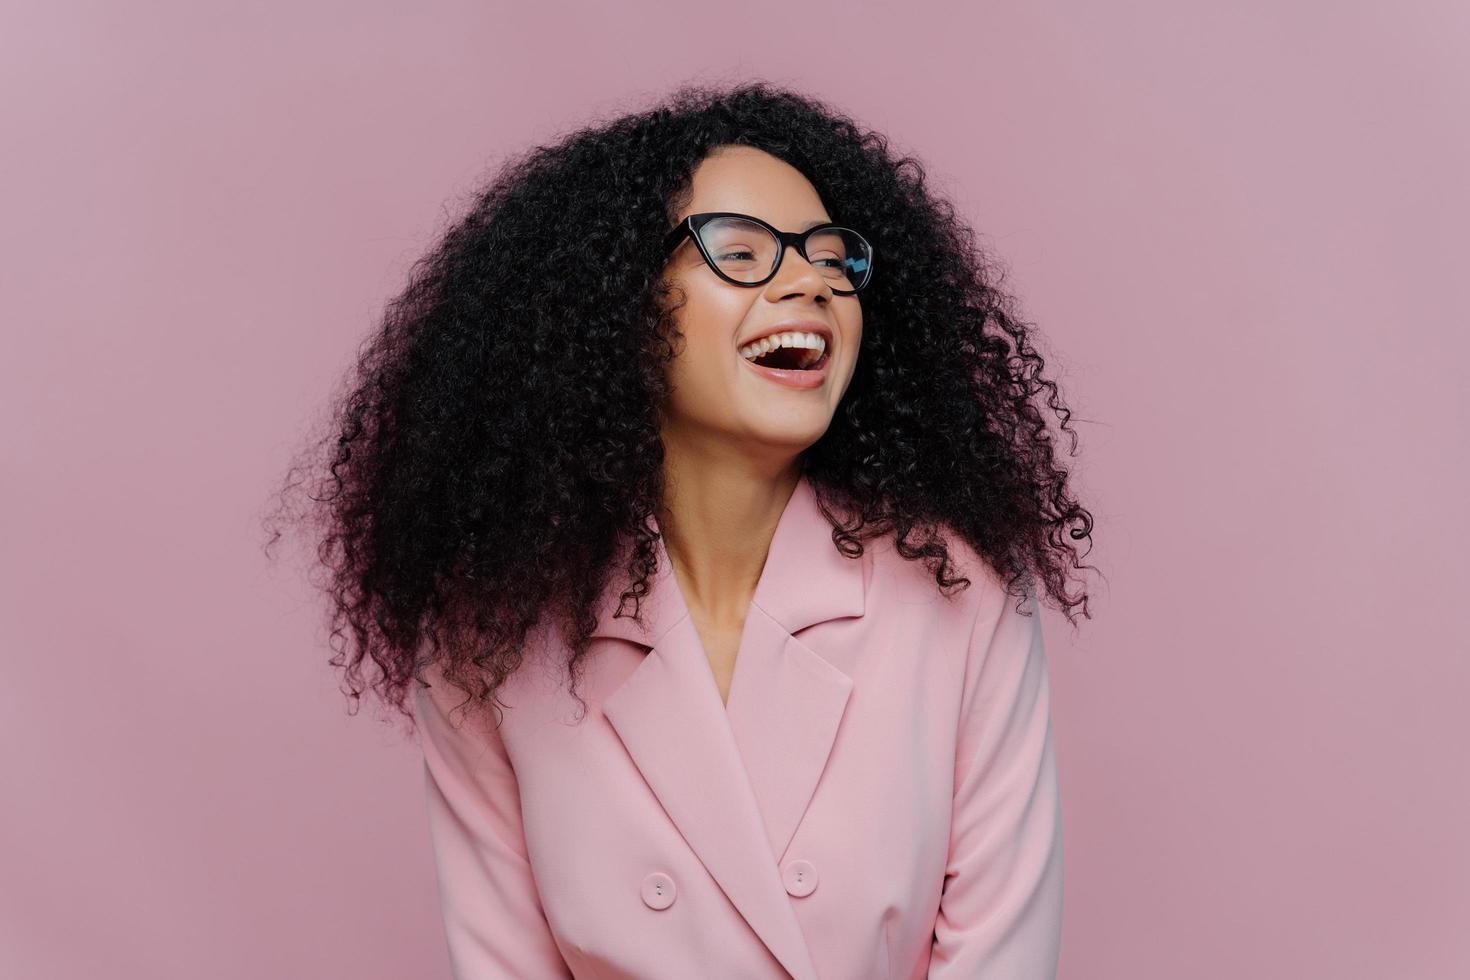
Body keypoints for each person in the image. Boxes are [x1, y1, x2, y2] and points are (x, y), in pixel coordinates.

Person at [266, 80, 1096, 979]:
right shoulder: (488, 636)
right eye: (741, 251)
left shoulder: (962, 590)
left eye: (831, 258)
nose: (809, 282)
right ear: (616, 306)